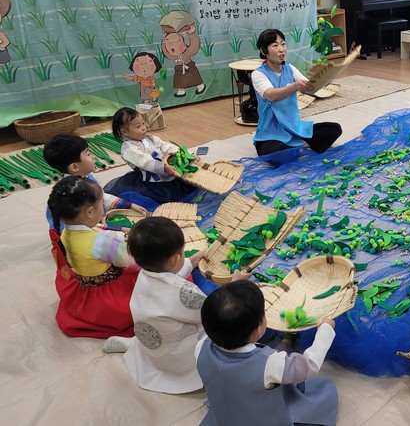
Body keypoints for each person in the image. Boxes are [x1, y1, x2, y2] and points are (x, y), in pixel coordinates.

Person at [103, 217, 252, 394]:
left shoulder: (145, 274)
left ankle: (136, 348)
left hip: (153, 343)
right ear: (175, 259)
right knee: (225, 337)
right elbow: (214, 314)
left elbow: (167, 277)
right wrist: (235, 285)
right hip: (179, 358)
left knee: (153, 335)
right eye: (183, 252)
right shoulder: (185, 293)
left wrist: (191, 261)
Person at [196, 280, 338, 425]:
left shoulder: (201, 345)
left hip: (226, 412)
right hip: (260, 419)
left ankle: (287, 342)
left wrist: (230, 289)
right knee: (323, 393)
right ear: (258, 330)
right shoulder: (268, 364)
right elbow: (309, 366)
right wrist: (325, 330)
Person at [47, 176, 139, 338]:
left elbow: (97, 227)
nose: (103, 207)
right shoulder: (102, 242)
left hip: (85, 290)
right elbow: (131, 261)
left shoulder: (65, 233)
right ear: (90, 212)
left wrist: (119, 231)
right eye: (102, 204)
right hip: (108, 298)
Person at [251, 29, 342, 163]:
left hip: (294, 128)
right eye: (275, 45)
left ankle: (296, 143)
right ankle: (296, 146)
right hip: (270, 134)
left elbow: (309, 89)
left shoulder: (290, 68)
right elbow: (271, 96)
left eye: (283, 44)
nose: (281, 49)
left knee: (334, 129)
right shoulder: (258, 74)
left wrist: (324, 78)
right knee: (279, 152)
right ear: (264, 51)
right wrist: (294, 86)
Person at [43, 134, 147, 232]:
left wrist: (130, 205)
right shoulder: (74, 193)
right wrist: (118, 229)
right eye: (88, 154)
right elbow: (87, 227)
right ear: (74, 167)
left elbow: (101, 197)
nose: (93, 157)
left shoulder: (86, 178)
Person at [104, 107, 196, 204]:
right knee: (165, 196)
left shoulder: (150, 138)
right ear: (125, 132)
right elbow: (145, 161)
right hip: (151, 181)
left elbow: (165, 146)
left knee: (187, 184)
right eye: (138, 126)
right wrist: (163, 167)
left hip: (168, 171)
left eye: (143, 123)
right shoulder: (128, 149)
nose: (143, 127)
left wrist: (183, 153)